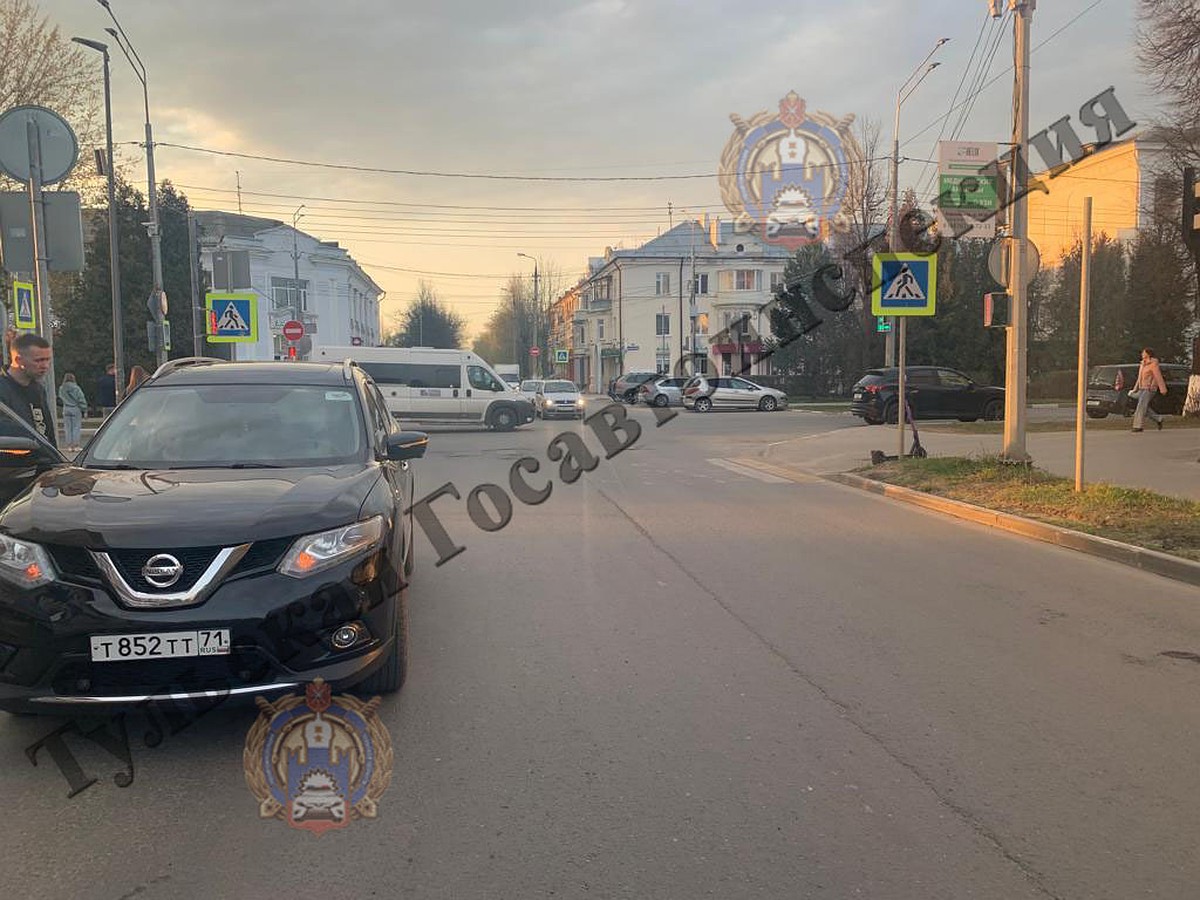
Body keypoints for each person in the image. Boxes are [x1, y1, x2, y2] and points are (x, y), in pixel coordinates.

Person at [0, 333, 57, 448]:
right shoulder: (3, 389)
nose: (45, 365)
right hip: (12, 463)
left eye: (48, 360)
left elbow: (48, 432)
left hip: (43, 462)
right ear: (18, 360)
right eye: (39, 360)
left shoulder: (38, 389)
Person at [1131, 347, 1167, 433]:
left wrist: (1163, 389)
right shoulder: (1142, 364)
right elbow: (1139, 378)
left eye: (1143, 352)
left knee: (1141, 406)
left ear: (1148, 354)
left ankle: (1137, 426)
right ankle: (1159, 419)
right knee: (1144, 407)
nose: (1142, 354)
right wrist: (1135, 388)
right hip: (1142, 388)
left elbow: (1158, 377)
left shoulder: (1153, 364)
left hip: (1149, 388)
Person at [58, 373, 88, 453]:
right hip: (75, 408)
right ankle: (76, 445)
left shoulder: (61, 388)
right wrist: (84, 409)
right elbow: (81, 398)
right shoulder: (76, 388)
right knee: (76, 427)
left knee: (67, 428)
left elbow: (60, 397)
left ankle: (69, 446)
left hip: (66, 408)